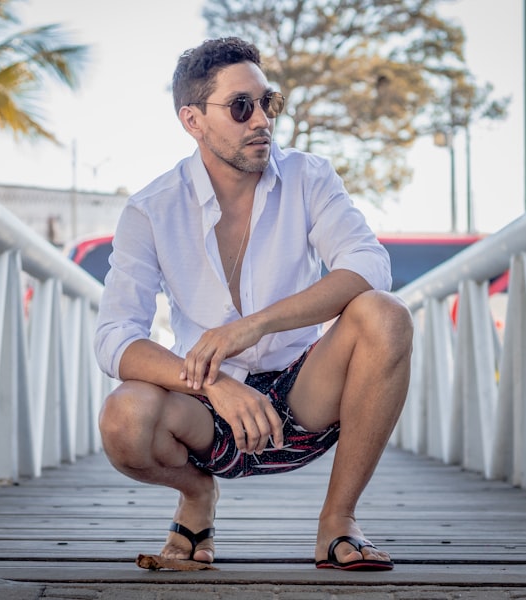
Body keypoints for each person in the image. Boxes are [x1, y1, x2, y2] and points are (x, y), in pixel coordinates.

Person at [94, 37, 413, 571]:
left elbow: (368, 266)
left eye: (269, 102)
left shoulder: (311, 177)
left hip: (305, 396)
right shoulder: (151, 210)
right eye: (241, 107)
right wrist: (213, 383)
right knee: (123, 418)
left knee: (385, 314)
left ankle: (338, 521)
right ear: (192, 120)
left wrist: (251, 327)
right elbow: (115, 336)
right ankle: (197, 495)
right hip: (204, 411)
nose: (261, 119)